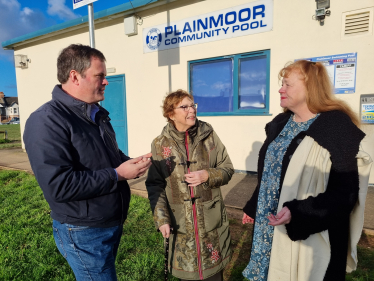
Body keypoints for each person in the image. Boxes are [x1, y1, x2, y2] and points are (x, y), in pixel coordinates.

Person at [23, 44, 152, 281]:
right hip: (83, 231)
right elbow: (58, 186)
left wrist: (130, 162)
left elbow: (106, 157)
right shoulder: (46, 121)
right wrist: (118, 174)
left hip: (107, 222)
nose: (106, 82)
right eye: (100, 76)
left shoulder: (96, 113)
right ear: (75, 76)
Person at [241, 60, 371, 281]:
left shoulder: (336, 127)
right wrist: (254, 205)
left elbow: (345, 193)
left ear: (311, 87)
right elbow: (271, 172)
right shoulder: (281, 122)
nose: (280, 89)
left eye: (287, 84)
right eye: (282, 84)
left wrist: (299, 212)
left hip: (312, 229)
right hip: (270, 222)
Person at [145, 90, 234, 281]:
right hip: (180, 226)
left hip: (210, 223)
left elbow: (227, 169)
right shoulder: (160, 145)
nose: (191, 110)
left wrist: (207, 175)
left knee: (213, 275)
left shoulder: (209, 136)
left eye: (192, 105)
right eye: (184, 107)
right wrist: (162, 219)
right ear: (171, 114)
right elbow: (155, 185)